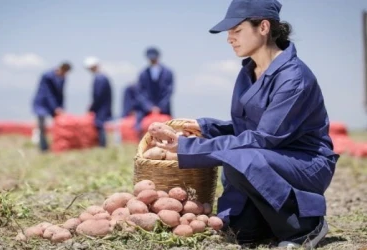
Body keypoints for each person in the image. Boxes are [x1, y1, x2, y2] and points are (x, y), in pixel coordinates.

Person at [151, 0, 338, 248]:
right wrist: (205, 127)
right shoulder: (248, 71)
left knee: (240, 157)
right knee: (244, 231)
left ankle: (305, 226)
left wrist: (187, 148)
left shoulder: (293, 78)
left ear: (263, 27)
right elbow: (245, 129)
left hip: (305, 163)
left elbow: (264, 138)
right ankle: (267, 220)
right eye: (229, 33)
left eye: (236, 30)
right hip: (267, 159)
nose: (230, 38)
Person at [32, 62, 71, 152]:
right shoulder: (47, 76)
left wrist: (61, 107)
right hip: (42, 103)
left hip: (55, 105)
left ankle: (58, 145)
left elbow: (61, 94)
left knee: (59, 124)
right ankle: (43, 147)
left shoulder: (63, 78)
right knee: (42, 126)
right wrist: (55, 107)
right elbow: (48, 93)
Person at [136, 47, 174, 133]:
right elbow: (140, 93)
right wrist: (149, 107)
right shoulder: (143, 73)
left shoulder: (168, 72)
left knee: (168, 128)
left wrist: (160, 107)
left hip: (164, 109)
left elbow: (169, 91)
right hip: (146, 110)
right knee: (141, 128)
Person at [84, 57, 113, 147]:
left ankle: (102, 145)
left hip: (101, 106)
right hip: (104, 105)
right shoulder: (103, 77)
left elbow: (98, 95)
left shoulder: (99, 78)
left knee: (99, 125)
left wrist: (92, 106)